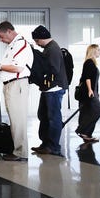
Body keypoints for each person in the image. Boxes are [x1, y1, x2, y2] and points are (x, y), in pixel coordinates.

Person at [0, 21, 33, 161]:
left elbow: (18, 68)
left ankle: (20, 153)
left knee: (18, 120)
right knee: (14, 119)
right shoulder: (12, 46)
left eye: (1, 37)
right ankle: (17, 150)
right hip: (10, 85)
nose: (1, 40)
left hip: (17, 85)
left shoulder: (21, 44)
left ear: (9, 31)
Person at [30, 25, 68, 156]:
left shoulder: (52, 49)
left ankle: (53, 146)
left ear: (41, 38)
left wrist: (42, 80)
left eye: (36, 40)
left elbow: (53, 70)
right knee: (44, 116)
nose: (36, 43)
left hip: (54, 89)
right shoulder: (49, 48)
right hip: (49, 89)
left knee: (53, 118)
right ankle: (46, 144)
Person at [75, 44, 100, 142]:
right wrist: (90, 90)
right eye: (98, 50)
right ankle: (82, 131)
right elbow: (87, 78)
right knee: (97, 111)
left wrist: (96, 91)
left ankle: (86, 134)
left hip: (92, 92)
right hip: (89, 92)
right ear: (93, 51)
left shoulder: (91, 63)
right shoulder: (89, 62)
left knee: (88, 112)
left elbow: (93, 79)